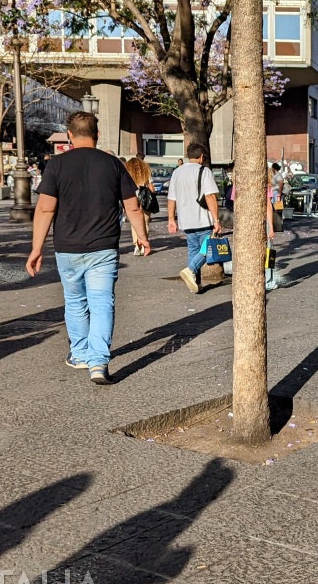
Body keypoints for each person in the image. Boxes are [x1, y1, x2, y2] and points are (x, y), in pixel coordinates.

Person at [25, 111, 151, 385]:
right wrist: (141, 235)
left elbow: (45, 208)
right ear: (97, 135)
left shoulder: (56, 165)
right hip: (103, 247)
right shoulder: (113, 164)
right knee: (102, 302)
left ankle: (80, 354)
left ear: (69, 135)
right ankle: (98, 363)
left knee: (75, 301)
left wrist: (37, 248)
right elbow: (133, 206)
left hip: (67, 247)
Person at [167, 143, 222, 294]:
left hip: (185, 220)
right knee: (208, 249)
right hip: (203, 218)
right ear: (202, 156)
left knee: (193, 249)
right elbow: (210, 196)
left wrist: (171, 218)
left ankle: (195, 283)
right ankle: (191, 270)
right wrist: (216, 220)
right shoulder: (204, 171)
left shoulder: (177, 172)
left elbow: (172, 198)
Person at [125, 156, 155, 256]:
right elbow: (152, 188)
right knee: (145, 222)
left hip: (132, 198)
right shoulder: (146, 173)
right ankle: (144, 243)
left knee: (134, 224)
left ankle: (137, 245)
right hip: (145, 199)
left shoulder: (128, 174)